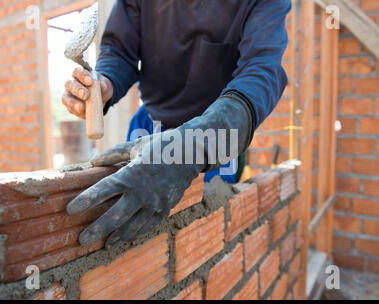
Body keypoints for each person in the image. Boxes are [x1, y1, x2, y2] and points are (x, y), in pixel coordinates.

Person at [62, 0, 291, 248]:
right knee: (136, 237)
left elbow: (261, 71)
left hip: (214, 135)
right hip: (150, 127)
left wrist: (192, 147)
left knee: (206, 239)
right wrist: (106, 82)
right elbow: (119, 52)